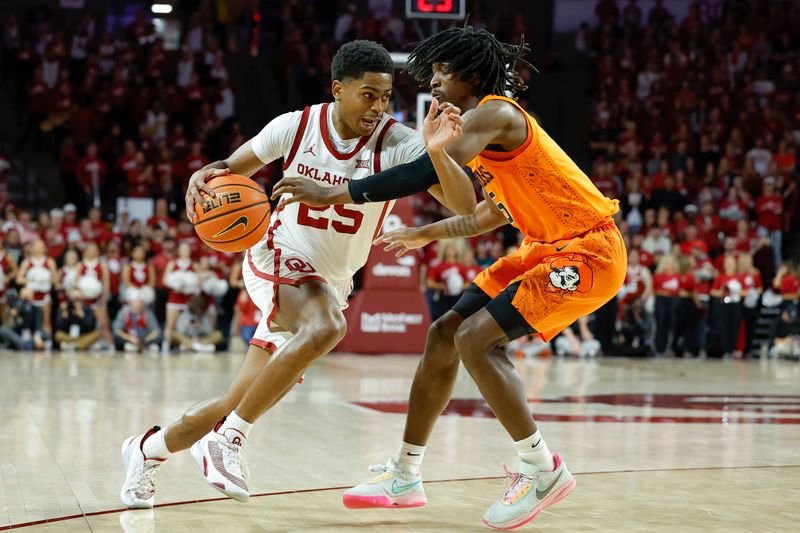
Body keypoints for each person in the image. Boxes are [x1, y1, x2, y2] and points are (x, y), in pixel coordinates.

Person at [275, 26, 627, 529]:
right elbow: (485, 215)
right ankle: (405, 475)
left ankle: (541, 468)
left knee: (476, 340)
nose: (433, 83)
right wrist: (426, 233)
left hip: (589, 250)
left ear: (469, 73)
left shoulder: (496, 113)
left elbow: (421, 174)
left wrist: (335, 192)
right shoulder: (482, 134)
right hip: (542, 249)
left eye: (441, 72)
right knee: (443, 334)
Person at [120, 40, 473, 509]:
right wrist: (200, 178)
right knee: (328, 327)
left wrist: (438, 154)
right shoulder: (296, 125)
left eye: (386, 96)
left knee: (237, 399)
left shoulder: (399, 142)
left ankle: (146, 451)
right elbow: (228, 170)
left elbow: (466, 206)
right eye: (368, 94)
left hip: (331, 281)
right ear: (338, 89)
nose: (378, 106)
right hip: (277, 255)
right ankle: (229, 442)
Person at [112, 288, 161, 352]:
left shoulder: (148, 313)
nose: (138, 304)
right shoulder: (124, 312)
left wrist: (147, 338)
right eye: (136, 301)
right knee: (116, 337)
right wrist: (130, 338)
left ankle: (148, 347)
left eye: (140, 301)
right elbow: (117, 330)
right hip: (129, 339)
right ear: (131, 302)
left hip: (145, 340)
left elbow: (156, 330)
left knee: (159, 339)